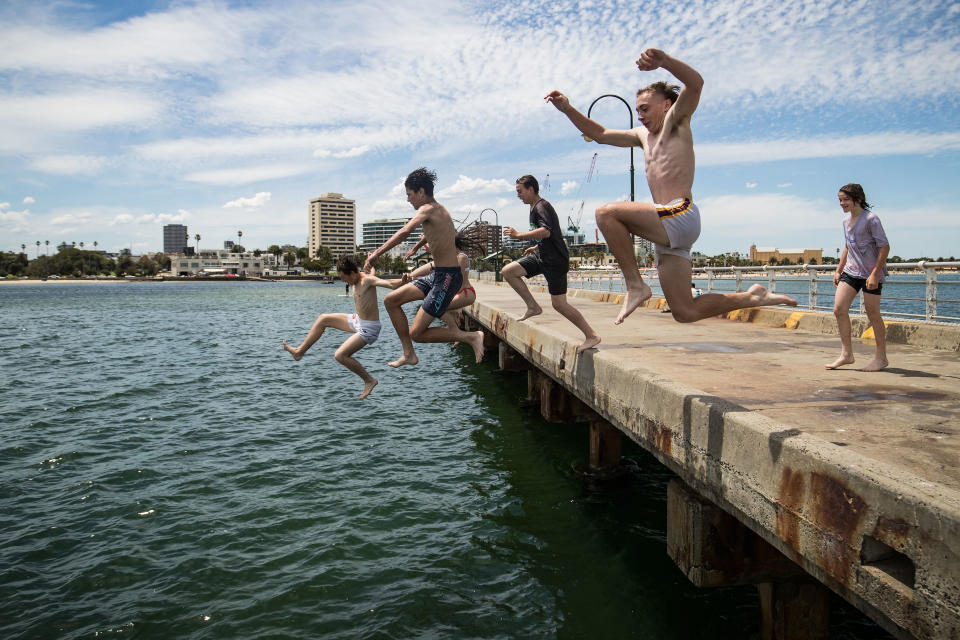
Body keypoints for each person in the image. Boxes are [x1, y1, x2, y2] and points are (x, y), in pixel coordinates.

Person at [545, 48, 796, 326]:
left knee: (606, 213)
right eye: (637, 109)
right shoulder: (642, 135)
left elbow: (696, 84)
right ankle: (752, 297)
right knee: (684, 311)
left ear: (666, 105)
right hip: (667, 228)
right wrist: (567, 108)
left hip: (680, 213)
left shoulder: (677, 121)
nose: (639, 115)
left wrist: (664, 62)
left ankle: (635, 286)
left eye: (645, 108)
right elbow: (600, 134)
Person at [366, 167, 485, 366]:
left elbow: (406, 231)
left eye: (409, 195)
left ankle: (470, 337)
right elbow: (432, 235)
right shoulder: (437, 211)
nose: (408, 200)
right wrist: (415, 249)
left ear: (421, 192)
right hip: (438, 275)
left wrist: (377, 253)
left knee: (417, 333)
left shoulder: (428, 208)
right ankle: (408, 354)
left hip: (447, 278)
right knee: (391, 300)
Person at [502, 175, 602, 353]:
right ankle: (533, 307)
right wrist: (535, 246)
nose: (518, 195)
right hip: (542, 256)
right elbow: (551, 235)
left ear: (531, 189)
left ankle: (591, 335)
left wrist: (518, 235)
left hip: (555, 261)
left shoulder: (542, 207)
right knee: (508, 271)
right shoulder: (534, 207)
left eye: (520, 191)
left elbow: (546, 231)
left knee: (559, 304)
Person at [282, 255, 401, 399]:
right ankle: (299, 352)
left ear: (352, 273)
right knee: (323, 319)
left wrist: (404, 280)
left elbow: (390, 284)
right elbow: (372, 272)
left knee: (340, 355)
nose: (344, 281)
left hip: (369, 328)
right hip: (358, 320)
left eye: (344, 278)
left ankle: (369, 380)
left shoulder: (367, 280)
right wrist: (371, 262)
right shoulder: (357, 280)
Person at [825, 184, 890, 372]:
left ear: (857, 199)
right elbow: (847, 246)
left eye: (845, 199)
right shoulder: (846, 221)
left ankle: (881, 358)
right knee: (839, 309)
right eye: (839, 200)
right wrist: (839, 269)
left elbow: (884, 247)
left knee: (873, 314)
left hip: (870, 274)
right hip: (851, 271)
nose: (841, 203)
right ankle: (847, 355)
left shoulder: (871, 219)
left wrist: (875, 274)